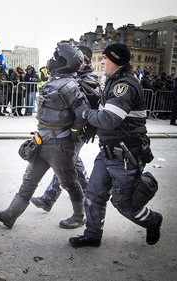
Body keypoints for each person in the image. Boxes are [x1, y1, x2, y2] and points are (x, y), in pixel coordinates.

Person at [69, 43, 163, 248]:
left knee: (125, 206)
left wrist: (85, 114)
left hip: (125, 157)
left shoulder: (124, 86)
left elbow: (109, 119)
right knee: (94, 194)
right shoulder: (113, 82)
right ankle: (93, 235)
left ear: (117, 60)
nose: (102, 61)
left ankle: (153, 220)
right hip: (108, 153)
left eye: (105, 58)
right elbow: (105, 115)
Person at [0, 44, 88, 230]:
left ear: (65, 62)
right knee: (29, 180)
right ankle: (10, 215)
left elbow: (82, 115)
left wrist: (73, 133)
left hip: (59, 144)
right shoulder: (56, 81)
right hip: (42, 141)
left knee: (69, 182)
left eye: (56, 57)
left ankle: (80, 216)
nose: (52, 60)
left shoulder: (71, 86)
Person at [31, 46, 101, 229]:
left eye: (82, 59)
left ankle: (77, 206)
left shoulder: (86, 78)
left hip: (75, 132)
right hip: (67, 132)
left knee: (66, 168)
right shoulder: (75, 76)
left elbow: (83, 110)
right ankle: (83, 196)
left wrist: (78, 130)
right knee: (72, 166)